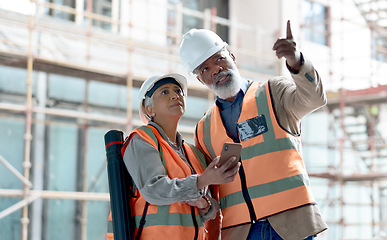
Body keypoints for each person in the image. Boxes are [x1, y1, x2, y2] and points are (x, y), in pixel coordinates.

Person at [179, 20, 328, 240]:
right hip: (241, 232)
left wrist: (296, 61)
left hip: (290, 226)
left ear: (233, 58)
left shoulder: (273, 93)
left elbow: (314, 98)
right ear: (201, 79)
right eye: (206, 69)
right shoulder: (203, 128)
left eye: (219, 58)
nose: (216, 70)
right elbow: (210, 191)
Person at [106, 73, 240, 240]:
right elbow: (153, 189)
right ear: (150, 109)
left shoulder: (193, 152)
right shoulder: (142, 139)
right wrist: (202, 180)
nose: (175, 95)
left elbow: (208, 210)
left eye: (178, 91)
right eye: (164, 92)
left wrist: (205, 204)